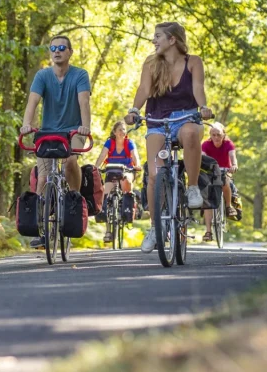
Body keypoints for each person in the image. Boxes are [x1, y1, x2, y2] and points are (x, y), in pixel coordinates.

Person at [124, 21, 213, 253]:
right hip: (158, 119)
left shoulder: (193, 62)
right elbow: (143, 89)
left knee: (192, 133)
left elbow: (198, 88)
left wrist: (203, 107)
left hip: (186, 117)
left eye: (158, 36)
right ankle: (155, 228)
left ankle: (192, 187)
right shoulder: (151, 63)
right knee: (154, 174)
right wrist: (134, 110)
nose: (154, 41)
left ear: (172, 40)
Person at [20, 35, 92, 249]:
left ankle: (74, 201)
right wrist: (26, 124)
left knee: (70, 162)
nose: (57, 51)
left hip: (73, 131)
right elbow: (32, 102)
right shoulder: (42, 76)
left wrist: (85, 126)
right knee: (42, 179)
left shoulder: (80, 75)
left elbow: (84, 102)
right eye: (53, 48)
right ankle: (42, 228)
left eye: (61, 47)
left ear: (70, 52)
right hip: (47, 132)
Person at [94, 121, 142, 243]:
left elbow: (135, 156)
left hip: (126, 171)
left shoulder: (129, 143)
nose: (122, 132)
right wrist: (96, 167)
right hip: (112, 171)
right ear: (114, 132)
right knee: (105, 193)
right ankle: (108, 231)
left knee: (126, 181)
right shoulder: (110, 142)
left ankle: (128, 209)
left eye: (124, 130)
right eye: (120, 130)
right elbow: (102, 155)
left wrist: (137, 165)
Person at [201, 121, 242, 225]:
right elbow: (202, 157)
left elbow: (233, 157)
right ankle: (208, 229)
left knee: (225, 182)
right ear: (210, 135)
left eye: (218, 134)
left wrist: (234, 165)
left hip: (225, 171)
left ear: (224, 134)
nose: (216, 137)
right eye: (213, 135)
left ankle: (228, 207)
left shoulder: (228, 144)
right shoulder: (205, 144)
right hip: (211, 172)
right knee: (206, 193)